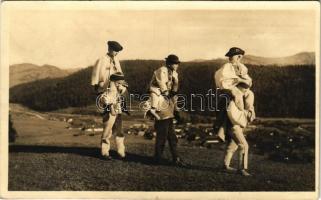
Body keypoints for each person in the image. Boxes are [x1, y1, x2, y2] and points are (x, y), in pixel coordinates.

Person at [214, 47, 256, 176]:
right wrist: (237, 85)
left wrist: (241, 82)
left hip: (236, 110)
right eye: (235, 56)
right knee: (243, 145)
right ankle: (242, 169)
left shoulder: (241, 69)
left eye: (238, 56)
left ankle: (225, 165)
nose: (237, 58)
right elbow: (224, 82)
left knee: (233, 144)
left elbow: (247, 82)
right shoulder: (226, 68)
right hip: (231, 114)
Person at [148, 54, 186, 167]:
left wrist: (176, 108)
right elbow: (163, 87)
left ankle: (175, 158)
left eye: (177, 63)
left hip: (168, 102)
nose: (176, 65)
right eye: (174, 63)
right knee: (162, 133)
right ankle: (158, 158)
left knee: (171, 135)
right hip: (159, 99)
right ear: (169, 63)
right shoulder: (162, 71)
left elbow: (174, 90)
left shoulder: (174, 74)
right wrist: (170, 96)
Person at [91, 40, 127, 160]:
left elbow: (120, 77)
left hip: (117, 95)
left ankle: (121, 152)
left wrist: (121, 88)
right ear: (109, 48)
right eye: (114, 50)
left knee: (119, 126)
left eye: (118, 51)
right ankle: (105, 151)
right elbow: (96, 79)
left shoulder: (116, 61)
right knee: (108, 126)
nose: (116, 53)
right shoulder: (102, 60)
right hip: (106, 94)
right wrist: (100, 93)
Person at [98, 72, 128, 160]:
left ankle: (121, 152)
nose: (121, 83)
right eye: (120, 81)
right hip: (108, 113)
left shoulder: (119, 88)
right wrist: (110, 105)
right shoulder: (107, 90)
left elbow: (124, 94)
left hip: (118, 112)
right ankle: (105, 152)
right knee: (107, 132)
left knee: (119, 131)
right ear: (115, 81)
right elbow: (103, 99)